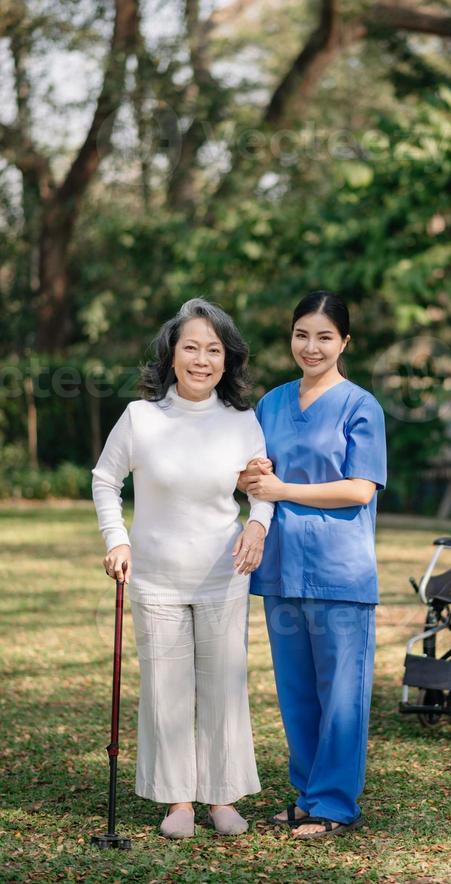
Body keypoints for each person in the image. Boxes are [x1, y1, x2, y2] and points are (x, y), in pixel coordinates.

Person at [92, 298, 273, 840]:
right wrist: (116, 539)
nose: (202, 359)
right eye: (191, 347)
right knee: (167, 689)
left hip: (224, 575)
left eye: (213, 349)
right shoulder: (140, 418)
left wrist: (258, 525)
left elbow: (261, 488)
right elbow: (106, 479)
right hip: (155, 580)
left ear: (227, 359)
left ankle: (221, 798)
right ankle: (178, 803)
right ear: (171, 355)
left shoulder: (243, 421)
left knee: (223, 686)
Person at [238, 290, 387, 841]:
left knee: (342, 692)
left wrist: (281, 488)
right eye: (302, 334)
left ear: (344, 342)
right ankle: (306, 795)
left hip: (340, 574)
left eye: (324, 336)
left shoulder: (360, 406)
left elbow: (360, 488)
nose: (311, 346)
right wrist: (247, 479)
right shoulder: (271, 404)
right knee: (296, 689)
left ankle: (333, 803)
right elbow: (251, 473)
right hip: (280, 567)